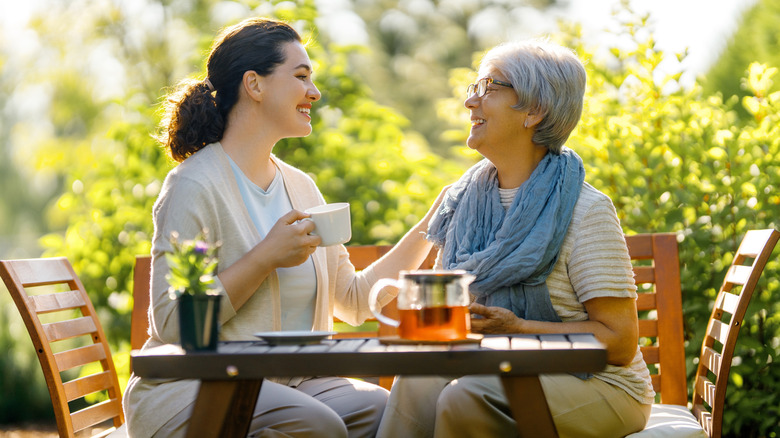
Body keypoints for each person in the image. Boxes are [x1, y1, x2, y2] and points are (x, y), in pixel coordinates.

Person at [122, 17, 442, 438]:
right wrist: (265, 258)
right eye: (301, 76)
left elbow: (354, 300)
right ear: (254, 85)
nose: (315, 92)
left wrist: (433, 223)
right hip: (191, 385)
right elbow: (174, 322)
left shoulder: (300, 187)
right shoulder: (194, 185)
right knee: (317, 424)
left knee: (390, 410)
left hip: (285, 383)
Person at [376, 38, 655, 438]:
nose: (471, 102)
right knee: (416, 379)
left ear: (534, 111)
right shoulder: (464, 202)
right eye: (475, 88)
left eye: (489, 88)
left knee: (467, 396)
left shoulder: (585, 209)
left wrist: (520, 329)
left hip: (603, 385)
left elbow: (620, 342)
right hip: (498, 370)